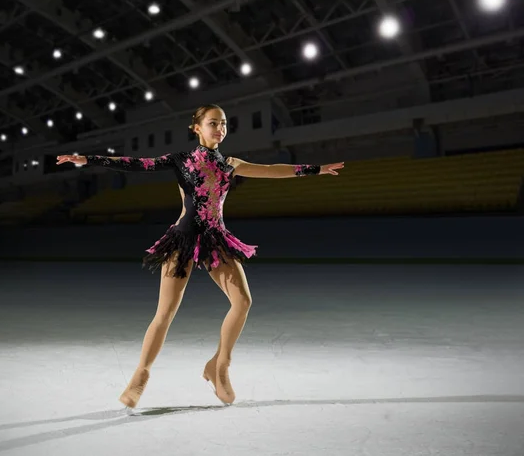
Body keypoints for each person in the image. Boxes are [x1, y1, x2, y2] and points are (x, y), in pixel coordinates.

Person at [56, 104, 344, 409]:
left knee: (243, 302)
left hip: (215, 239)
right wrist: (89, 158)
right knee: (165, 314)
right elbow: (138, 164)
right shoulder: (181, 161)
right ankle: (139, 376)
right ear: (197, 127)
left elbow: (273, 170)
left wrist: (316, 169)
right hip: (183, 238)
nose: (219, 128)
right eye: (212, 123)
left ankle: (219, 366)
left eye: (223, 124)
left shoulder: (231, 163)